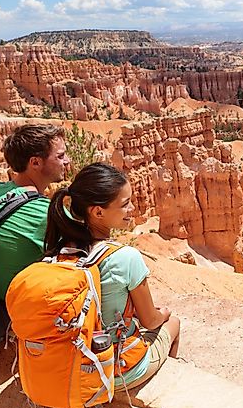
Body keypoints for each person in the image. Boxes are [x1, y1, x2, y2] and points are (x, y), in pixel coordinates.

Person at [44, 162, 180, 389]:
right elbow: (150, 320)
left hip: (72, 364)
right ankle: (169, 384)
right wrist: (163, 314)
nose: (133, 209)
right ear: (97, 212)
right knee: (173, 323)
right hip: (114, 369)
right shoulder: (126, 257)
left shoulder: (60, 251)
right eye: (125, 204)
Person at [0, 123, 69, 300]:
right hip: (15, 314)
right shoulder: (45, 213)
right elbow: (89, 255)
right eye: (60, 156)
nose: (67, 161)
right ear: (35, 162)